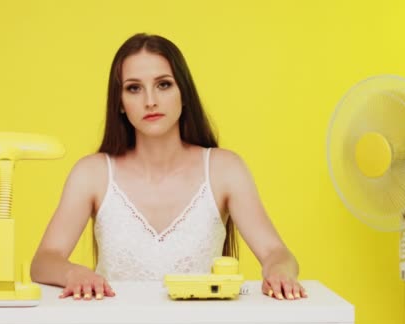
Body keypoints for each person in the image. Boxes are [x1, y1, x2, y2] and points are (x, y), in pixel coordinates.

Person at [31, 33, 306, 301]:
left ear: (184, 93)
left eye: (163, 84)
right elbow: (44, 261)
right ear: (121, 104)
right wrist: (73, 273)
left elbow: (275, 252)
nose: (150, 101)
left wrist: (278, 270)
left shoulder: (225, 170)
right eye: (134, 88)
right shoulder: (92, 174)